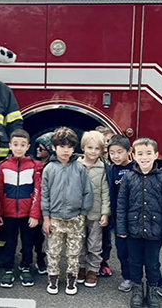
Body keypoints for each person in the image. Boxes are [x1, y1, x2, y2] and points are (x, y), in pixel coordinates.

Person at [108, 135, 162, 301]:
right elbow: (122, 206)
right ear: (134, 156)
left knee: (153, 263)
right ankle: (137, 290)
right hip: (133, 231)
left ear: (156, 155)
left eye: (148, 153)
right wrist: (122, 229)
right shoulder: (129, 179)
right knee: (135, 262)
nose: (144, 157)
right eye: (140, 154)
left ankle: (152, 290)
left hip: (155, 232)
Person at [41, 127, 93, 295]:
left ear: (74, 149)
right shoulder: (49, 168)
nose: (66, 150)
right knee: (53, 251)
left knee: (74, 252)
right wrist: (46, 217)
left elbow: (87, 192)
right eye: (62, 146)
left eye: (69, 146)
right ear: (54, 148)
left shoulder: (80, 168)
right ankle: (53, 279)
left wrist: (83, 214)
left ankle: (72, 280)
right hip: (55, 218)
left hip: (75, 218)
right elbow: (44, 194)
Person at [0, 129, 43, 288]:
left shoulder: (35, 167)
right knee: (9, 242)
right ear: (10, 145)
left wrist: (35, 214)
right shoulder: (3, 166)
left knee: (27, 242)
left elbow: (38, 192)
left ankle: (25, 266)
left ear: (28, 146)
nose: (18, 148)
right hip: (8, 214)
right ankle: (8, 268)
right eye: (15, 144)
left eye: (22, 145)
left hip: (27, 215)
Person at [77, 131, 110, 288]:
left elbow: (105, 192)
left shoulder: (103, 168)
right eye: (89, 147)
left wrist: (105, 213)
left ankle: (93, 270)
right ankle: (81, 268)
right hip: (78, 213)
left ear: (102, 150)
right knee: (79, 242)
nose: (93, 151)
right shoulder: (76, 165)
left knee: (94, 244)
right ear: (83, 147)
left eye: (97, 148)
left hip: (96, 213)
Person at [32, 132, 55, 274]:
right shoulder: (34, 165)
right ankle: (39, 257)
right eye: (37, 148)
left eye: (41, 148)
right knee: (36, 235)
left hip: (51, 205)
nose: (37, 151)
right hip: (36, 205)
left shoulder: (54, 166)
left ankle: (50, 261)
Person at [95, 125, 115, 277]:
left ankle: (104, 261)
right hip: (94, 206)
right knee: (91, 237)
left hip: (108, 207)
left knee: (106, 236)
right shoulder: (92, 162)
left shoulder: (114, 164)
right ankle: (91, 262)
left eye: (109, 141)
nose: (106, 145)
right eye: (103, 142)